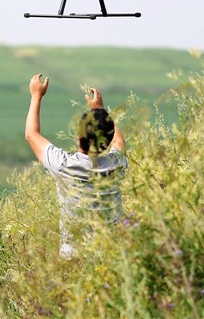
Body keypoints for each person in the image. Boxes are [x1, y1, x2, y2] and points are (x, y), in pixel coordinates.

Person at [24, 73, 128, 258]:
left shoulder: (64, 165)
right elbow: (119, 143)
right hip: (111, 256)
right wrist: (100, 111)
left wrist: (36, 96)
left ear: (78, 136)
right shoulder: (115, 165)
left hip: (74, 256)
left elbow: (31, 134)